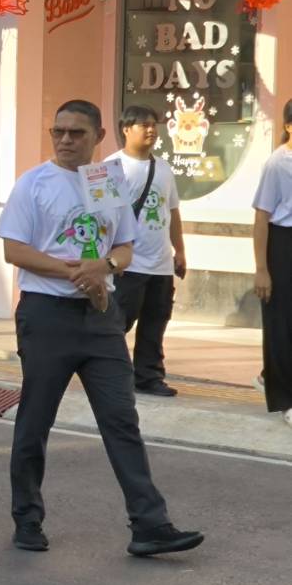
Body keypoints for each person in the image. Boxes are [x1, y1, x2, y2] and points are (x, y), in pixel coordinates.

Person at [0, 99, 203, 557]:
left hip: (101, 316)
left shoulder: (104, 180)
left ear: (99, 136)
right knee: (35, 420)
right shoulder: (33, 184)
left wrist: (104, 266)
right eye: (59, 132)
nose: (66, 140)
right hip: (47, 315)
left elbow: (124, 247)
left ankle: (150, 524)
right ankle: (27, 518)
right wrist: (72, 271)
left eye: (77, 133)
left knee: (121, 420)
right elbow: (14, 250)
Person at [107, 105, 185, 398]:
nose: (151, 130)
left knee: (156, 322)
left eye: (154, 125)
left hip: (161, 263)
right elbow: (100, 216)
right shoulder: (110, 167)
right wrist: (111, 258)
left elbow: (172, 211)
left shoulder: (163, 167)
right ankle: (110, 373)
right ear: (126, 129)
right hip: (128, 263)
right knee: (117, 323)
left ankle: (149, 377)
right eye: (143, 125)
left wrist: (179, 250)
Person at [256, 99, 292, 420]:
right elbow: (262, 218)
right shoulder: (277, 164)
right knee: (282, 323)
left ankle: (270, 376)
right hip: (283, 245)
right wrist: (261, 269)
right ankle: (286, 400)